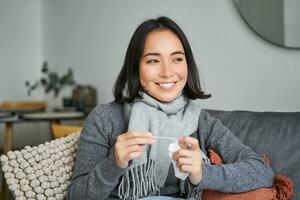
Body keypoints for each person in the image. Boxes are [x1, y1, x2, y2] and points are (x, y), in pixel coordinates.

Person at [67, 16, 274, 200]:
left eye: (176, 59)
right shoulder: (104, 119)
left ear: (187, 64)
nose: (167, 72)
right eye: (153, 60)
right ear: (135, 67)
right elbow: (76, 195)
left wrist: (202, 174)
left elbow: (262, 171)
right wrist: (114, 163)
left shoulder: (201, 122)